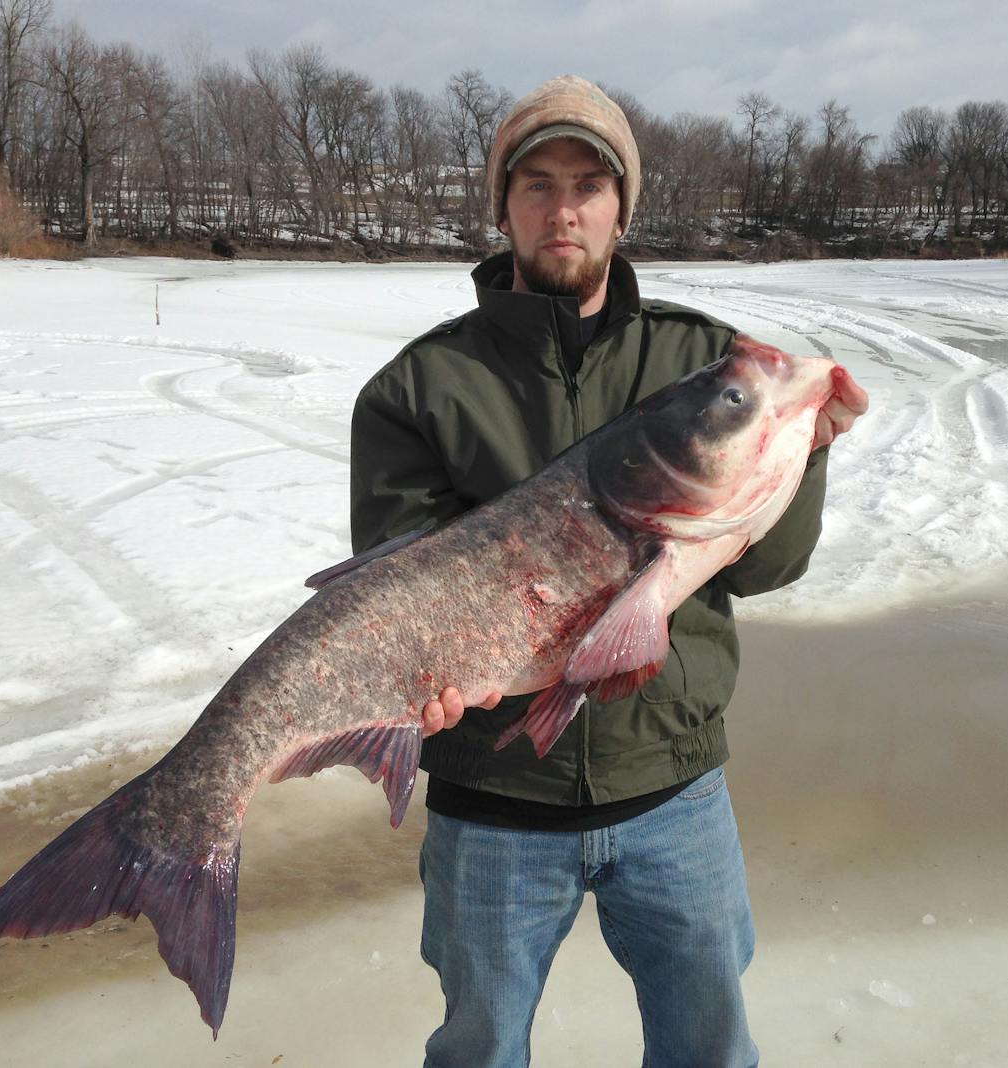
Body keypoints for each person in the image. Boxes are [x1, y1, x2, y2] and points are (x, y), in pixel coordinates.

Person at [349, 74, 867, 1068]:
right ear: (500, 206)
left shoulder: (700, 359)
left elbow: (766, 569)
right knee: (478, 1050)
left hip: (673, 791)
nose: (563, 208)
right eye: (535, 184)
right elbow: (395, 587)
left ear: (621, 206)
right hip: (493, 804)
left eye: (589, 184)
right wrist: (422, 673)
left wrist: (805, 453)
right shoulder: (418, 387)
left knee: (709, 1051)